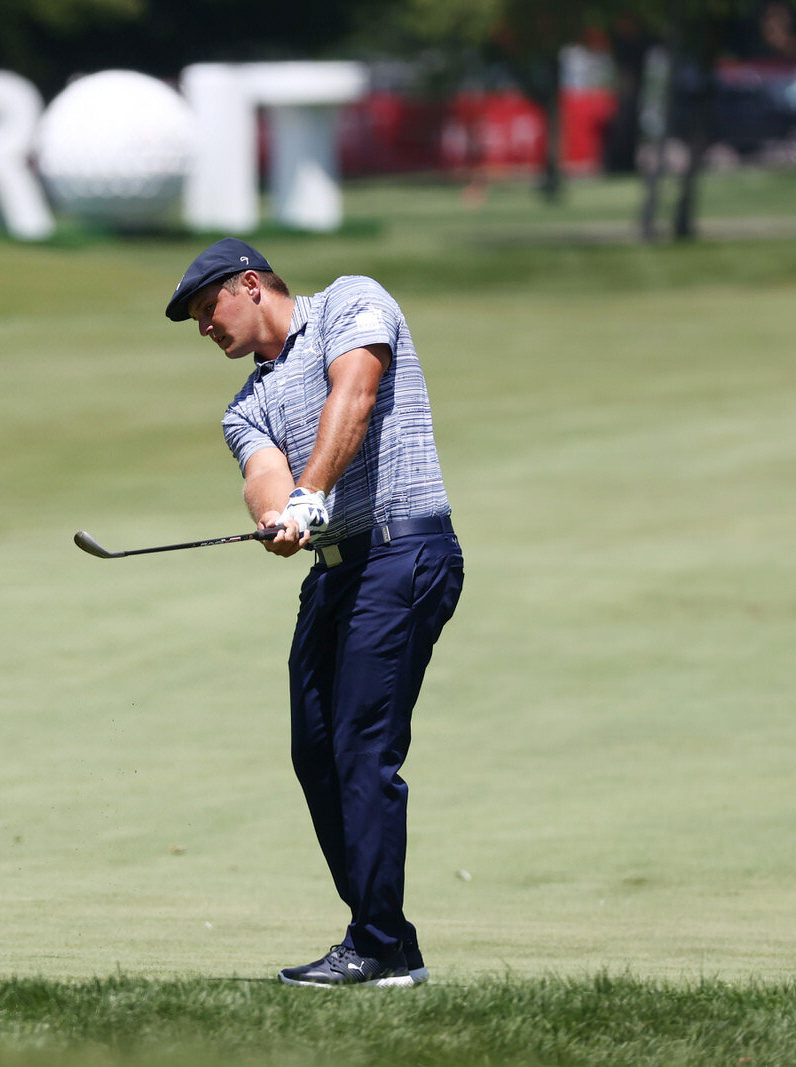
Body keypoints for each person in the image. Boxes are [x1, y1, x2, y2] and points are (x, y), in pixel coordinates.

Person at [165, 238, 464, 988]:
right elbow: (263, 474)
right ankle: (388, 940)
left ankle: (378, 945)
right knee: (316, 749)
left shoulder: (350, 302)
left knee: (363, 745)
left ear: (252, 284)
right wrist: (280, 516)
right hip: (335, 574)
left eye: (209, 310)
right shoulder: (247, 403)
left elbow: (353, 394)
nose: (206, 329)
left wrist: (312, 494)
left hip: (404, 553)